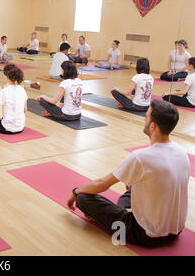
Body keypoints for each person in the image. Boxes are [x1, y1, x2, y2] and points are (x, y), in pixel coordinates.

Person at [68, 100, 189, 247]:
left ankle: (122, 212)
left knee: (83, 198)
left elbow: (102, 184)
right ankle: (126, 210)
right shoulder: (182, 152)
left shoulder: (141, 157)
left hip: (144, 234)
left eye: (146, 117)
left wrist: (76, 192)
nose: (144, 120)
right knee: (137, 184)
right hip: (175, 230)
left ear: (153, 126)